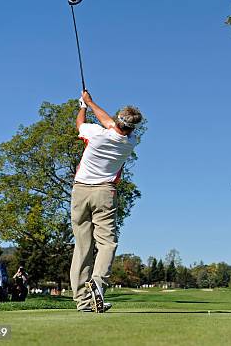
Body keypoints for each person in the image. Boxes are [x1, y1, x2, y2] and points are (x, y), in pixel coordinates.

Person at [70, 91, 143, 313]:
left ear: (117, 120)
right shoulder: (130, 142)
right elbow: (111, 123)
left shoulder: (96, 134)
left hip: (80, 191)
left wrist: (84, 105)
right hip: (104, 192)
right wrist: (90, 102)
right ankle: (98, 283)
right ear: (132, 128)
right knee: (107, 243)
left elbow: (81, 123)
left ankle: (83, 301)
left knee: (83, 247)